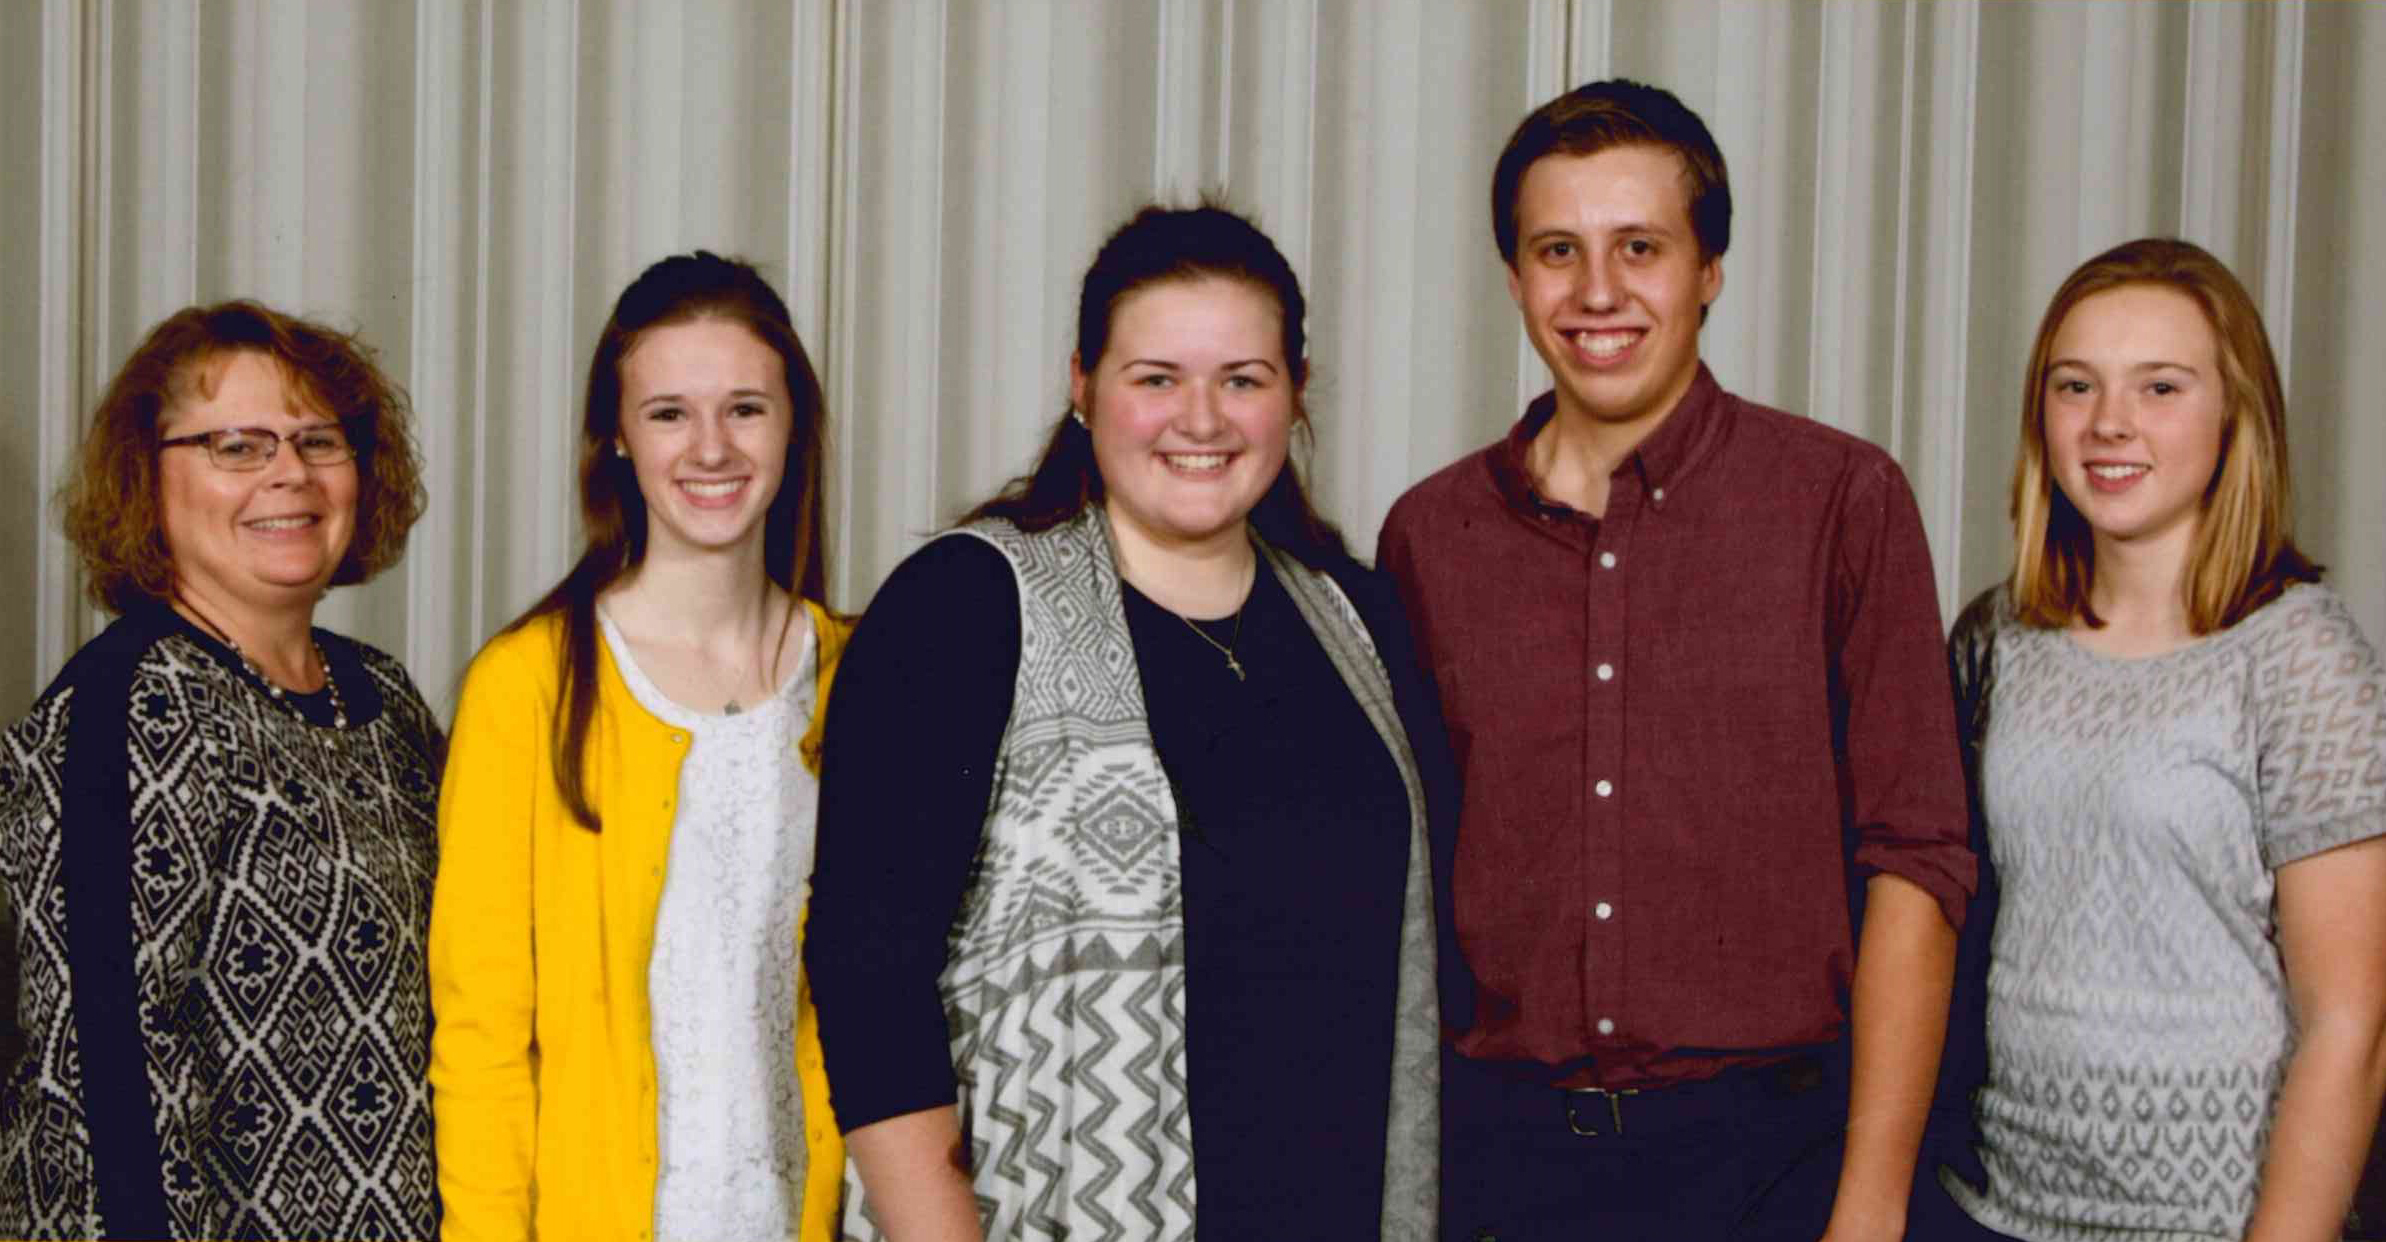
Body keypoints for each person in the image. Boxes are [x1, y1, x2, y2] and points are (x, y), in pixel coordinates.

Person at [1377, 78, 1976, 1240]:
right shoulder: (1428, 537)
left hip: (1772, 1165)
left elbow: (1916, 860)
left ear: (1709, 268)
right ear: (1513, 276)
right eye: (1558, 250)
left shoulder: (1839, 502)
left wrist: (1870, 1201)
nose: (1596, 292)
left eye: (1639, 247)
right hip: (1508, 1168)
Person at [803, 204, 1453, 1241]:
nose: (1201, 420)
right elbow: (864, 975)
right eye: (1155, 379)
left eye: (1242, 379)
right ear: (1082, 387)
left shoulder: (1358, 623)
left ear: (1294, 395)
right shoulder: (965, 608)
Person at [1922, 238, 2386, 1242]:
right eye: (2074, 386)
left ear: (2235, 417)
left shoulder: (2299, 655)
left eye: (2160, 387)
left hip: (2211, 1221)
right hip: (1996, 1206)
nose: (2108, 424)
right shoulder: (1995, 638)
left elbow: (2351, 1026)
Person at [429, 252, 851, 1242]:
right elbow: (482, 1034)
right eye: (668, 413)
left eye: (745, 407)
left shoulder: (860, 675)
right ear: (616, 438)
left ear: (794, 427)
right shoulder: (527, 686)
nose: (710, 447)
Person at [0, 301, 439, 1239]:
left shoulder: (384, 700)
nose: (290, 472)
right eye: (236, 446)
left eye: (319, 440)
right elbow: (103, 1079)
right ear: (144, 479)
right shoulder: (129, 708)